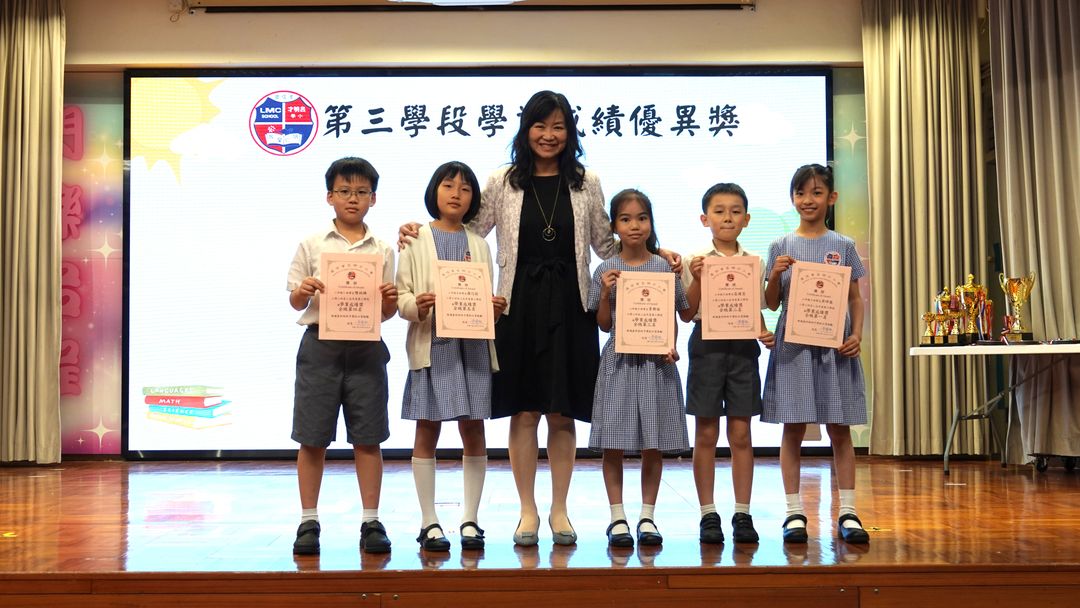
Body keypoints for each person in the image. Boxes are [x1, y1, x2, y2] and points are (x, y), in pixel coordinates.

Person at [400, 91, 679, 546]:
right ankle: (527, 510)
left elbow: (606, 245)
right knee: (525, 410)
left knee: (562, 412)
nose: (549, 135)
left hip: (571, 302)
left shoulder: (586, 181)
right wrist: (417, 228)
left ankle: (560, 510)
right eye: (540, 125)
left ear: (570, 133)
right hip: (517, 304)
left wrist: (657, 253)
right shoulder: (502, 180)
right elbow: (468, 229)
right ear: (525, 129)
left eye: (558, 127)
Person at [287, 157, 398, 555]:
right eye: (345, 191)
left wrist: (389, 300)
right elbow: (294, 299)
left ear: (373, 198)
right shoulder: (312, 244)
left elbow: (387, 312)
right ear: (329, 196)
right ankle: (308, 521)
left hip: (367, 348)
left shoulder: (383, 249)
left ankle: (371, 520)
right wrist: (304, 290)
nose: (353, 198)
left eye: (362, 192)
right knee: (312, 438)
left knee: (369, 438)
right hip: (320, 346)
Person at [396, 161, 506, 552]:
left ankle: (470, 519)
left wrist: (494, 309)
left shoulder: (479, 244)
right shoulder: (414, 239)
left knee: (474, 430)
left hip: (472, 348)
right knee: (427, 429)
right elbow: (402, 295)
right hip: (432, 345)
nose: (457, 194)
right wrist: (417, 305)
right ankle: (429, 521)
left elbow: (483, 299)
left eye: (465, 188)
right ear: (434, 191)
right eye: (448, 185)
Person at [762, 164, 870, 545]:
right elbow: (771, 303)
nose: (808, 200)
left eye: (816, 192)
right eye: (800, 193)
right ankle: (794, 511)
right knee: (793, 428)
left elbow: (855, 299)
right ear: (792, 198)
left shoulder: (843, 245)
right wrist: (774, 275)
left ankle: (848, 511)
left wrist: (856, 334)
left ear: (831, 197)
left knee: (839, 429)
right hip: (794, 349)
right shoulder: (781, 245)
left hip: (834, 347)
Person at [588, 189, 692, 548]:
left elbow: (676, 314)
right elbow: (603, 323)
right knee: (612, 444)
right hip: (618, 363)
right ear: (614, 226)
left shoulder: (664, 267)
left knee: (653, 443)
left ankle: (647, 516)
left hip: (656, 365)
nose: (635, 225)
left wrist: (671, 345)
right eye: (626, 219)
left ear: (651, 222)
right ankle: (617, 517)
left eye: (642, 218)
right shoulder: (605, 269)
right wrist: (605, 293)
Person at [681, 183, 774, 545]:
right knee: (706, 434)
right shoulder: (694, 259)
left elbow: (755, 309)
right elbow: (686, 313)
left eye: (735, 211)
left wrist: (763, 332)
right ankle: (708, 513)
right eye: (719, 211)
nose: (728, 218)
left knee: (741, 434)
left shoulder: (755, 262)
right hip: (706, 346)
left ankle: (742, 513)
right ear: (705, 219)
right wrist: (697, 278)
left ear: (746, 219)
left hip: (742, 349)